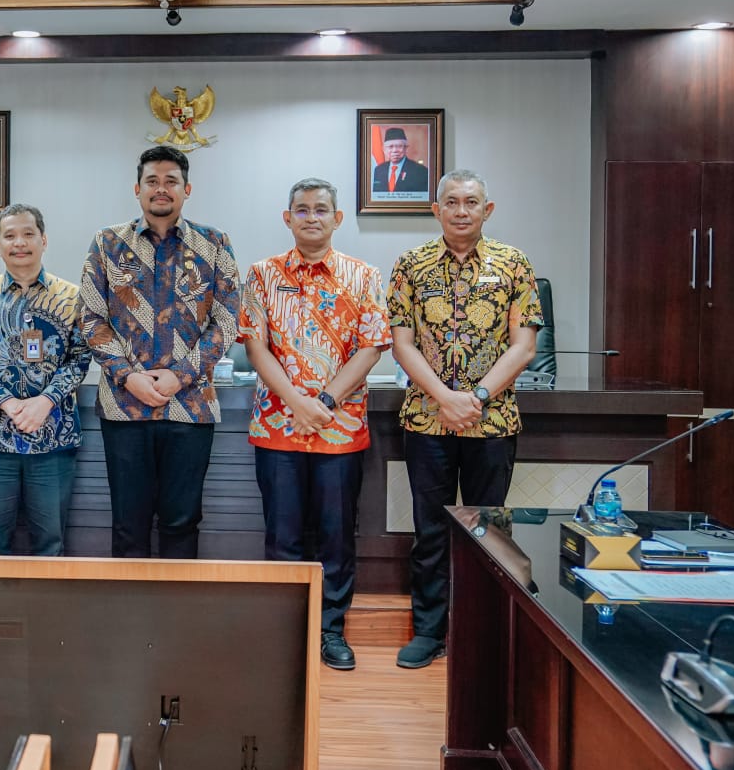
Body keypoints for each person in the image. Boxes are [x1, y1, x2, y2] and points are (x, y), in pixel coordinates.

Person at [388, 169, 543, 669]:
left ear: (486, 210)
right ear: (436, 210)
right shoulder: (410, 265)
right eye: (451, 202)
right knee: (430, 531)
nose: (461, 211)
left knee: (488, 531)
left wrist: (474, 397)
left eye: (471, 202)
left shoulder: (514, 264)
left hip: (491, 421)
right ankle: (429, 632)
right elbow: (401, 343)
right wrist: (444, 398)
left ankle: (481, 633)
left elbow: (524, 346)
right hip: (426, 421)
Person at [239, 178, 390, 671]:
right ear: (287, 218)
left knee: (335, 536)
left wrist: (322, 401)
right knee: (282, 535)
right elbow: (255, 347)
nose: (311, 217)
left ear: (337, 218)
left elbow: (371, 347)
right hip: (278, 427)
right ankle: (287, 631)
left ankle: (330, 630)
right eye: (301, 209)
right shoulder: (262, 275)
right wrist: (295, 402)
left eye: (321, 209)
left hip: (339, 427)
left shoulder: (364, 276)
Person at [79, 144, 240, 558]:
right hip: (124, 406)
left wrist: (178, 376)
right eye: (152, 181)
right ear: (138, 189)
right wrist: (128, 376)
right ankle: (131, 603)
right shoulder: (107, 243)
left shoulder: (214, 243)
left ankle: (177, 603)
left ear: (187, 189)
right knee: (128, 523)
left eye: (171, 181)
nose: (161, 188)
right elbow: (91, 319)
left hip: (190, 406)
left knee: (181, 521)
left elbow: (226, 322)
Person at [0, 204, 89, 555]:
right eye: (10, 236)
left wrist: (44, 402)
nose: (20, 243)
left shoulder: (72, 297)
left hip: (54, 438)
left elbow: (80, 359)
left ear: (43, 240)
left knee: (51, 542)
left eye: (28, 234)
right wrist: (8, 402)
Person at [371, 127, 430, 194]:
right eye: (390, 147)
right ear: (384, 149)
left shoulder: (420, 171)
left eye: (399, 146)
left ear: (406, 148)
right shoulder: (379, 170)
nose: (395, 150)